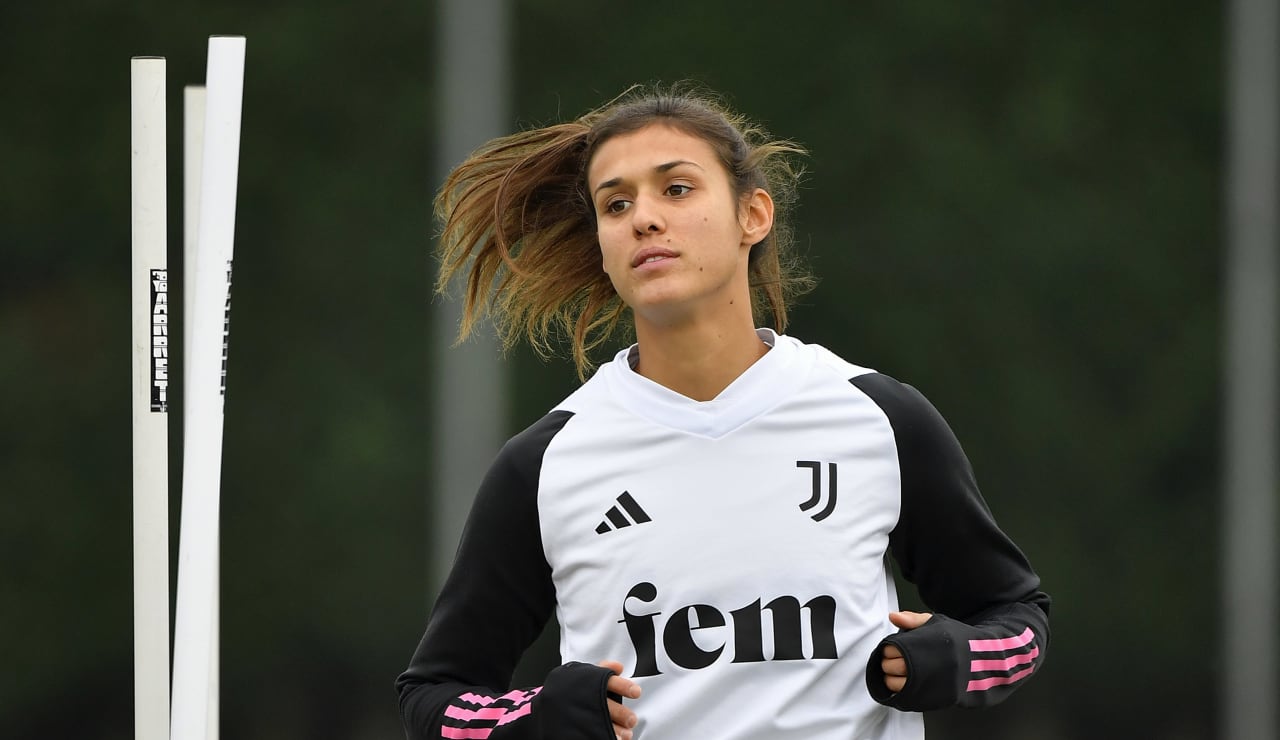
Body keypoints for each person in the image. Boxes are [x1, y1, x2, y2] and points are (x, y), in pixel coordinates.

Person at [397, 84, 1050, 740]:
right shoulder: (546, 465)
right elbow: (432, 698)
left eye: (677, 189)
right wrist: (535, 719)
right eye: (616, 204)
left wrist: (957, 657)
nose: (644, 218)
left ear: (753, 215)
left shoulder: (878, 417)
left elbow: (1016, 617)